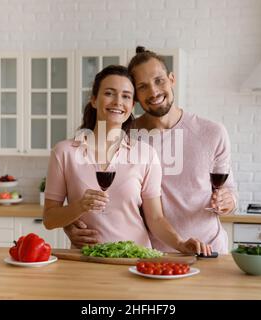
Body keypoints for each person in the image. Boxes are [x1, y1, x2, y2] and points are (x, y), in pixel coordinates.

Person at [64, 48, 238, 254]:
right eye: (143, 87)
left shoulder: (212, 133)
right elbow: (91, 191)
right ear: (135, 96)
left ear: (171, 79)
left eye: (159, 81)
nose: (154, 92)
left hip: (208, 248)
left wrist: (229, 201)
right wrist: (68, 224)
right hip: (149, 253)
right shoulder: (125, 136)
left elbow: (229, 190)